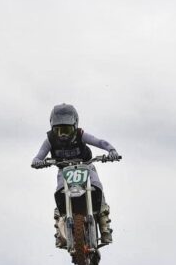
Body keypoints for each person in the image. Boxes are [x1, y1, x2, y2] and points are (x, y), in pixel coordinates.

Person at [30, 103, 120, 248]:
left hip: (86, 166)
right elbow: (38, 156)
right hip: (63, 170)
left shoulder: (81, 135)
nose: (63, 135)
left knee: (97, 186)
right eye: (58, 130)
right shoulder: (50, 140)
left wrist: (111, 150)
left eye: (66, 129)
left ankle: (105, 228)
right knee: (59, 193)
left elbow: (98, 141)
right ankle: (60, 232)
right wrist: (37, 162)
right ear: (53, 128)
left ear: (75, 126)